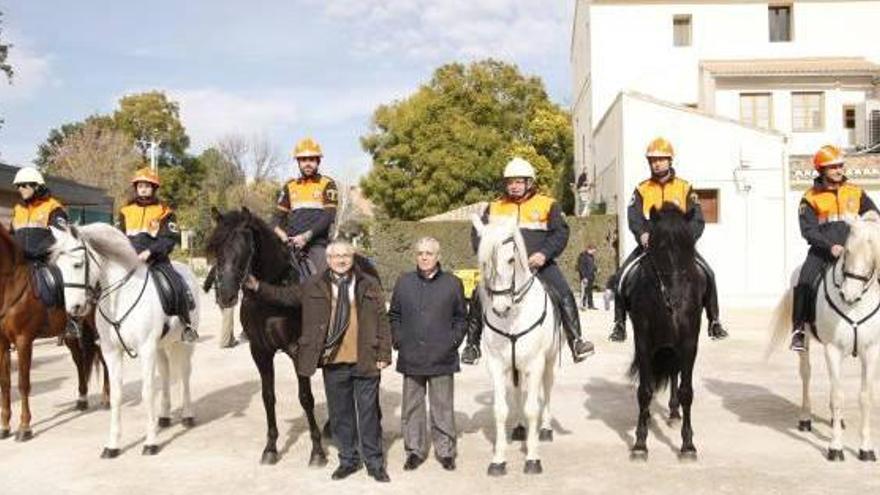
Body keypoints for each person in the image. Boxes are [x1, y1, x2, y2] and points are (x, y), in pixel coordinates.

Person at [245, 240, 392, 483]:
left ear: (352, 257)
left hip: (365, 357)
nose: (341, 260)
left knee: (367, 413)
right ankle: (347, 460)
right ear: (329, 260)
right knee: (340, 413)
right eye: (336, 257)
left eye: (346, 256)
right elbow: (285, 295)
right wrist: (259, 286)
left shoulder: (369, 284)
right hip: (333, 360)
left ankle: (375, 463)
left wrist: (384, 354)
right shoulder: (313, 285)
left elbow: (382, 320)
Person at [460, 157, 595, 365]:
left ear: (529, 182)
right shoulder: (494, 207)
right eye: (510, 182)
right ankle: (472, 345)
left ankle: (576, 341)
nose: (514, 186)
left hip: (539, 264)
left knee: (564, 292)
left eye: (519, 182)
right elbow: (478, 235)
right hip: (503, 268)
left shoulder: (547, 204)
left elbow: (560, 233)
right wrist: (488, 257)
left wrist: (543, 254)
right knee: (479, 294)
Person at [607, 137, 728, 343]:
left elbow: (697, 219)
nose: (657, 163)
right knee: (621, 277)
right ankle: (619, 323)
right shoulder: (641, 189)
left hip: (679, 248)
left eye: (661, 159)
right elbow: (634, 217)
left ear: (670, 161)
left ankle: (714, 321)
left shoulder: (685, 187)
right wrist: (641, 234)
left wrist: (685, 240)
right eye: (653, 160)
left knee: (709, 274)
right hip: (650, 247)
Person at [789, 144, 878, 351]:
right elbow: (808, 231)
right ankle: (799, 330)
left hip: (854, 251)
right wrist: (830, 247)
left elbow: (873, 215)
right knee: (804, 280)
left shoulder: (856, 192)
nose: (839, 170)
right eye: (833, 167)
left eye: (840, 166)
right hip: (822, 251)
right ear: (821, 170)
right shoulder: (810, 197)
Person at [389, 237, 467, 472]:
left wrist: (453, 341)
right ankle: (415, 450)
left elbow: (461, 318)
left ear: (438, 256)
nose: (424, 257)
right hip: (411, 354)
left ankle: (445, 451)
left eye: (429, 253)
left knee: (442, 406)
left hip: (442, 355)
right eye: (420, 253)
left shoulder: (453, 283)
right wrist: (399, 339)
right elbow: (394, 315)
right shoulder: (404, 282)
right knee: (412, 406)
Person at [117, 167, 198, 342]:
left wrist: (150, 252)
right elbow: (119, 237)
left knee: (176, 284)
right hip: (129, 260)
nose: (143, 189)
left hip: (157, 260)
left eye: (147, 186)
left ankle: (186, 326)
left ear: (154, 188)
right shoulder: (125, 211)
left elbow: (170, 239)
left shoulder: (165, 212)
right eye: (140, 186)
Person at [9, 167, 74, 336]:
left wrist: (36, 252)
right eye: (18, 186)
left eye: (24, 185)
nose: (20, 189)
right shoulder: (18, 209)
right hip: (22, 261)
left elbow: (59, 237)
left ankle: (73, 322)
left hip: (46, 260)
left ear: (36, 186)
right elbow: (11, 235)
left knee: (60, 280)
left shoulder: (54, 207)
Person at [272, 137, 339, 277]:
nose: (307, 164)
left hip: (317, 244)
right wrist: (284, 237)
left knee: (325, 278)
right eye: (303, 160)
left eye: (312, 159)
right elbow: (275, 220)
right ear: (298, 162)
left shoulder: (327, 184)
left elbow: (329, 217)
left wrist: (306, 237)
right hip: (290, 244)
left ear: (318, 161)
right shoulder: (289, 186)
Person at [578, 244, 598, 310]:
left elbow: (592, 266)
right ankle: (582, 305)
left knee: (590, 292)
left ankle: (590, 305)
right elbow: (581, 267)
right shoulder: (583, 256)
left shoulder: (591, 256)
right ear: (589, 249)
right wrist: (584, 277)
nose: (594, 252)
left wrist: (596, 269)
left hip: (591, 277)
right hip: (585, 277)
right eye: (593, 251)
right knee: (583, 292)